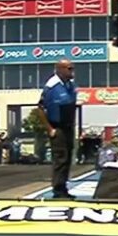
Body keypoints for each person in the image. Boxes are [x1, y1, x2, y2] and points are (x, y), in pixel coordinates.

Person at [38, 58, 77, 199]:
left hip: (68, 127)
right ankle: (58, 190)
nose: (72, 71)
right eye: (69, 68)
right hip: (57, 127)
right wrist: (50, 129)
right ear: (59, 69)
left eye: (72, 68)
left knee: (67, 159)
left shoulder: (70, 85)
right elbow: (40, 109)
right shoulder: (52, 86)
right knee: (60, 159)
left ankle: (64, 187)